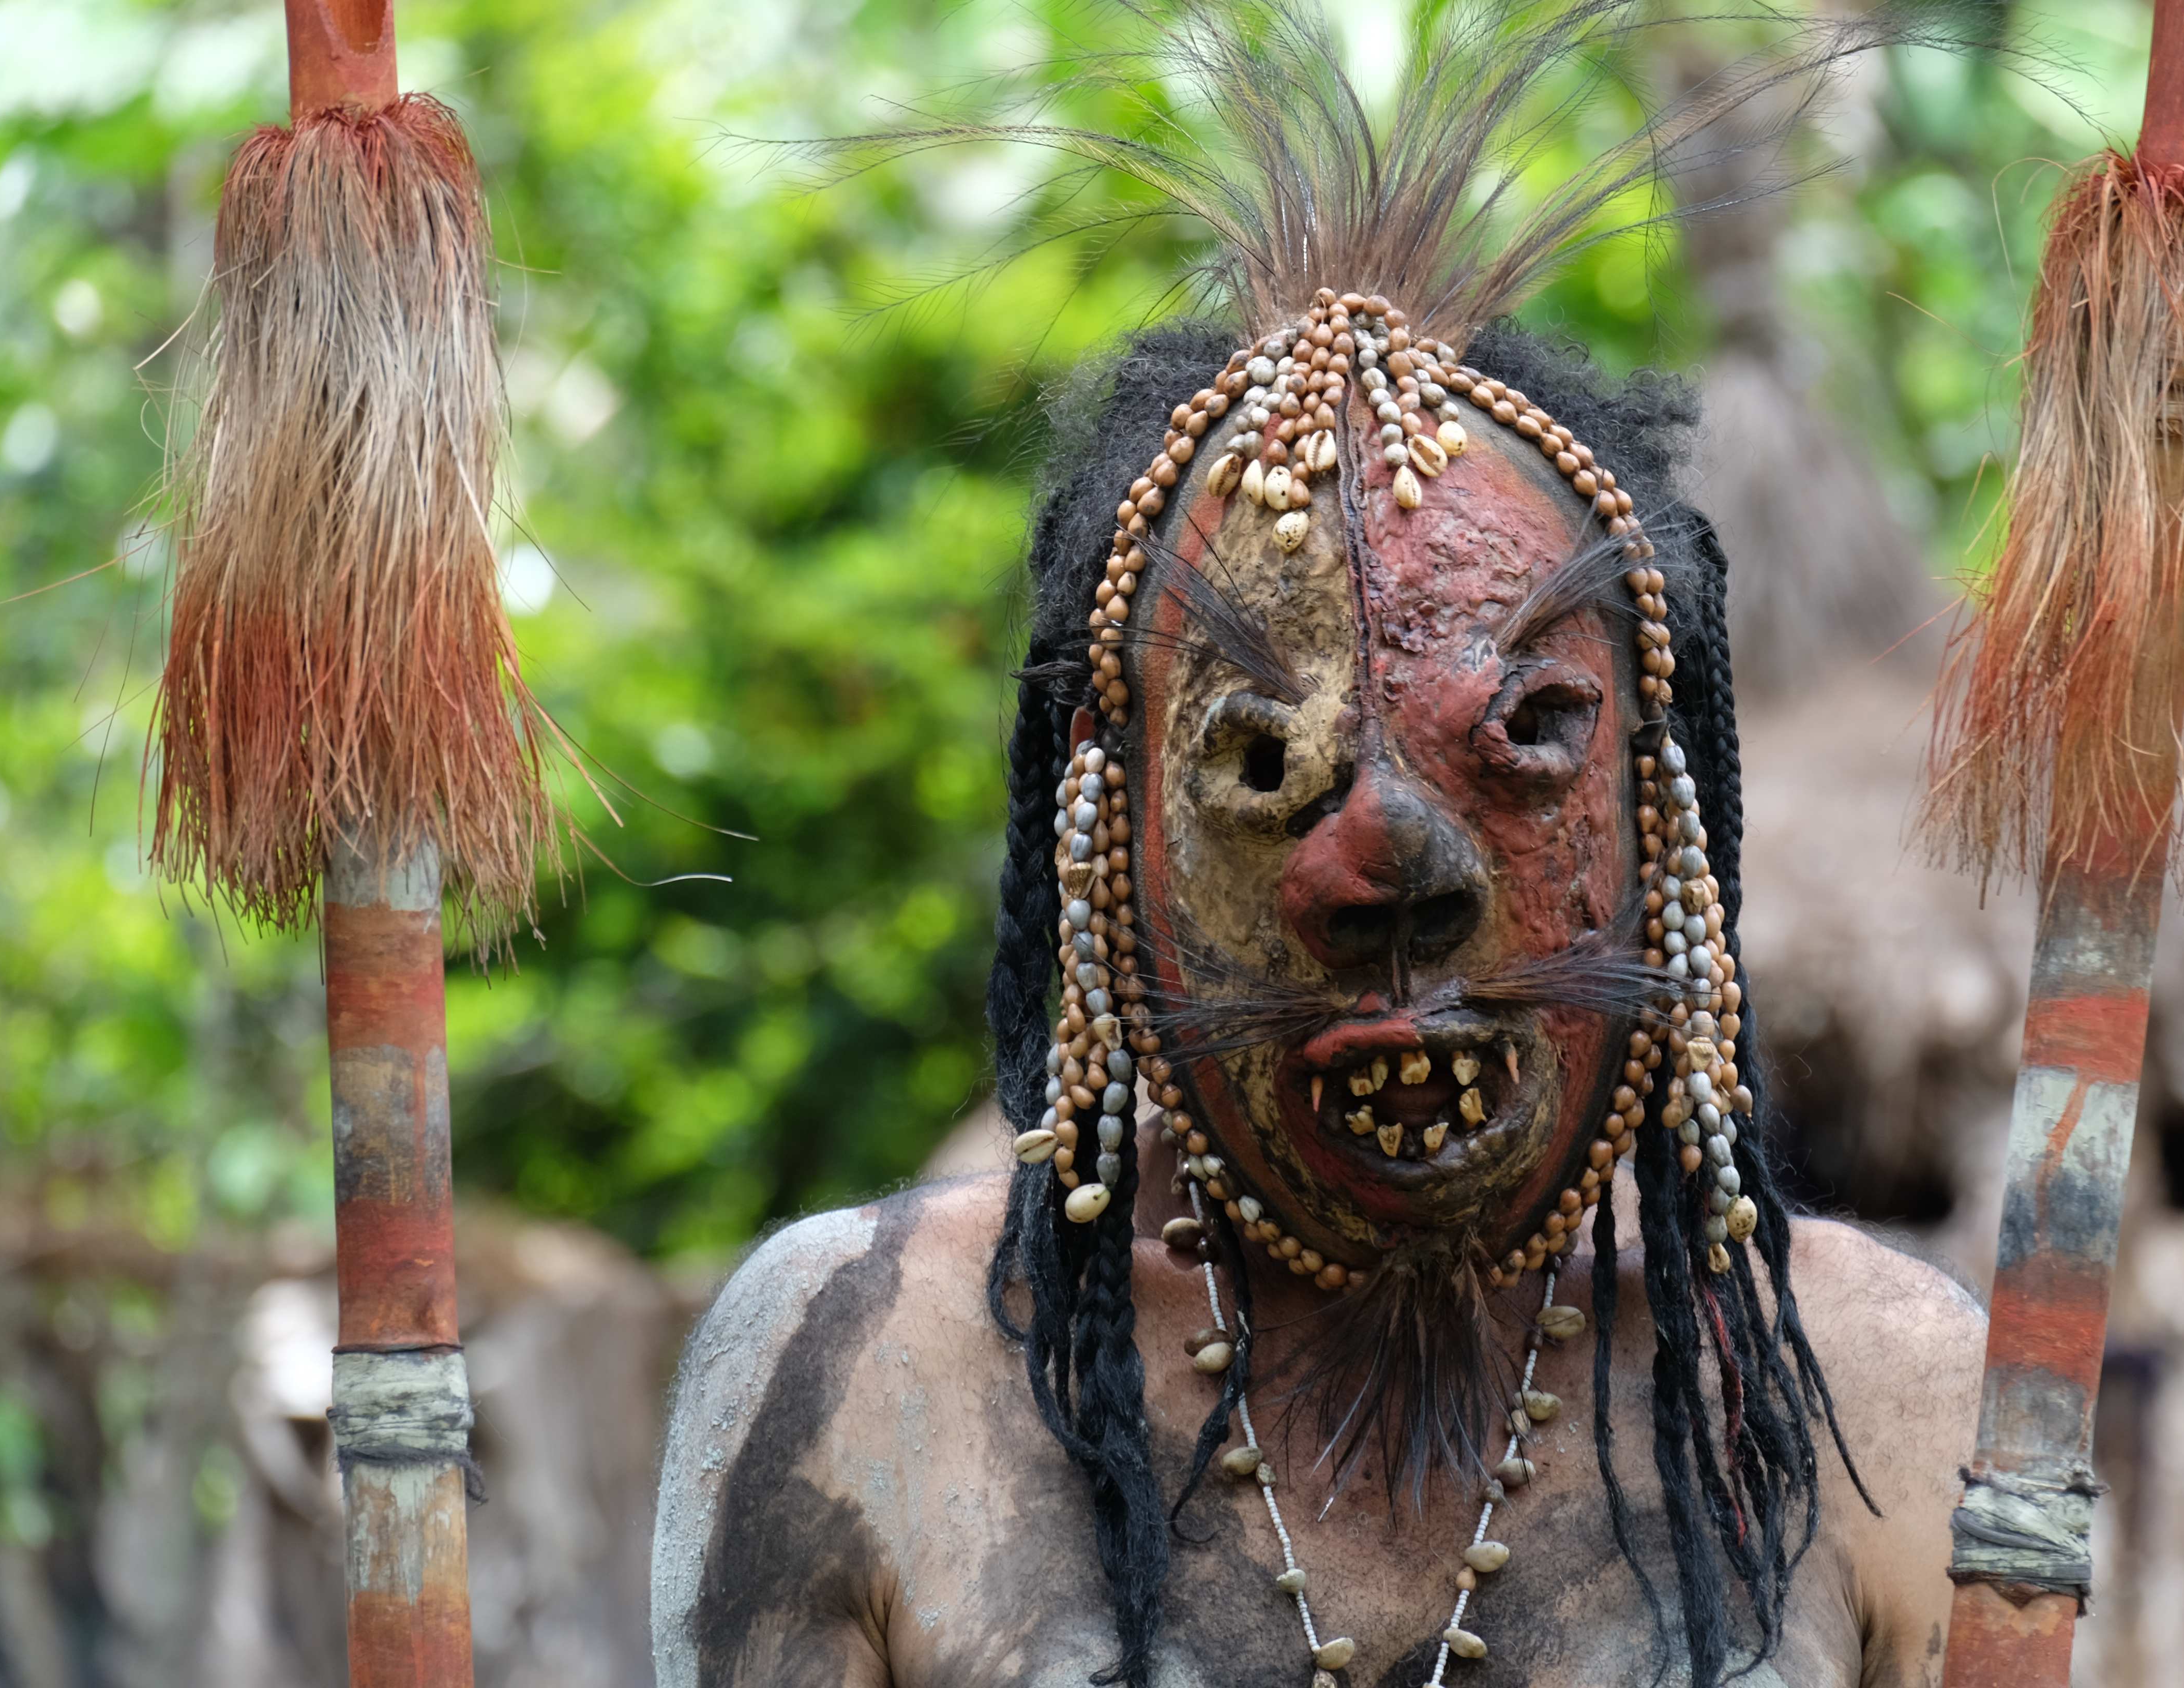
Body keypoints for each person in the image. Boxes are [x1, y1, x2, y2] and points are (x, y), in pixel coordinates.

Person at [653, 7, 1987, 1683]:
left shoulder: (1883, 1397)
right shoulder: (875, 1373)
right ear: (1111, 832)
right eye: (1259, 762)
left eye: (1528, 738)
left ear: (1662, 816)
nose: (1393, 867)